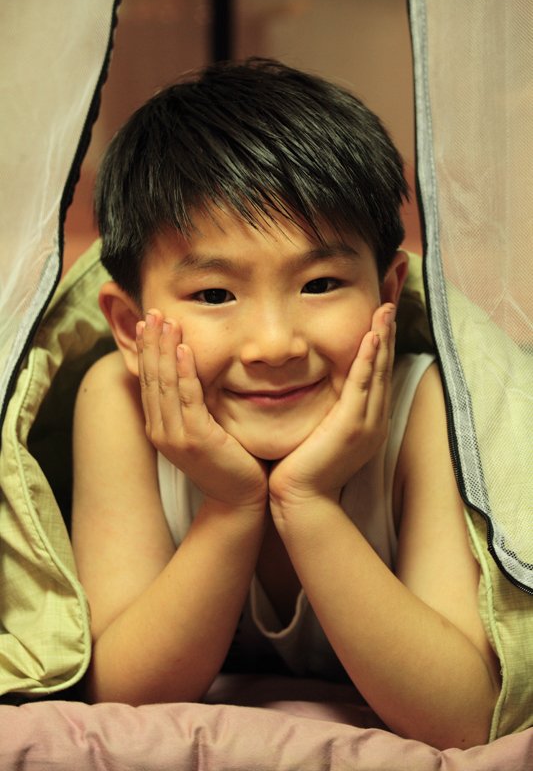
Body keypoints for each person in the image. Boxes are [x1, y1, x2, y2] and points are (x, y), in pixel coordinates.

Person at [71, 58, 500, 749]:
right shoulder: (119, 403)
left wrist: (307, 502)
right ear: (128, 327)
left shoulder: (425, 406)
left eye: (320, 284)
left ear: (389, 294)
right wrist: (232, 504)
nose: (273, 344)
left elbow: (461, 715)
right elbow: (124, 695)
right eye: (215, 295)